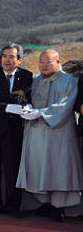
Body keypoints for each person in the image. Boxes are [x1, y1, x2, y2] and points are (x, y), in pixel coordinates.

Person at [17, 49, 83, 222]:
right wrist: (29, 109)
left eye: (48, 61)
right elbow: (30, 100)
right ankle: (45, 202)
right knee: (39, 166)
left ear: (59, 62)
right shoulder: (36, 80)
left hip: (59, 132)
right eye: (41, 61)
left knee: (59, 168)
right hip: (37, 132)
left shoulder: (68, 80)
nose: (44, 65)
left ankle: (59, 207)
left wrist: (41, 113)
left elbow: (64, 105)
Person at [0, 44, 33, 218]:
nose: (7, 60)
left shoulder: (26, 76)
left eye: (11, 57)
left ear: (19, 60)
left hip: (14, 130)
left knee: (12, 171)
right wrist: (8, 107)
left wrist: (28, 107)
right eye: (4, 56)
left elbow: (28, 97)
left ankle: (12, 206)